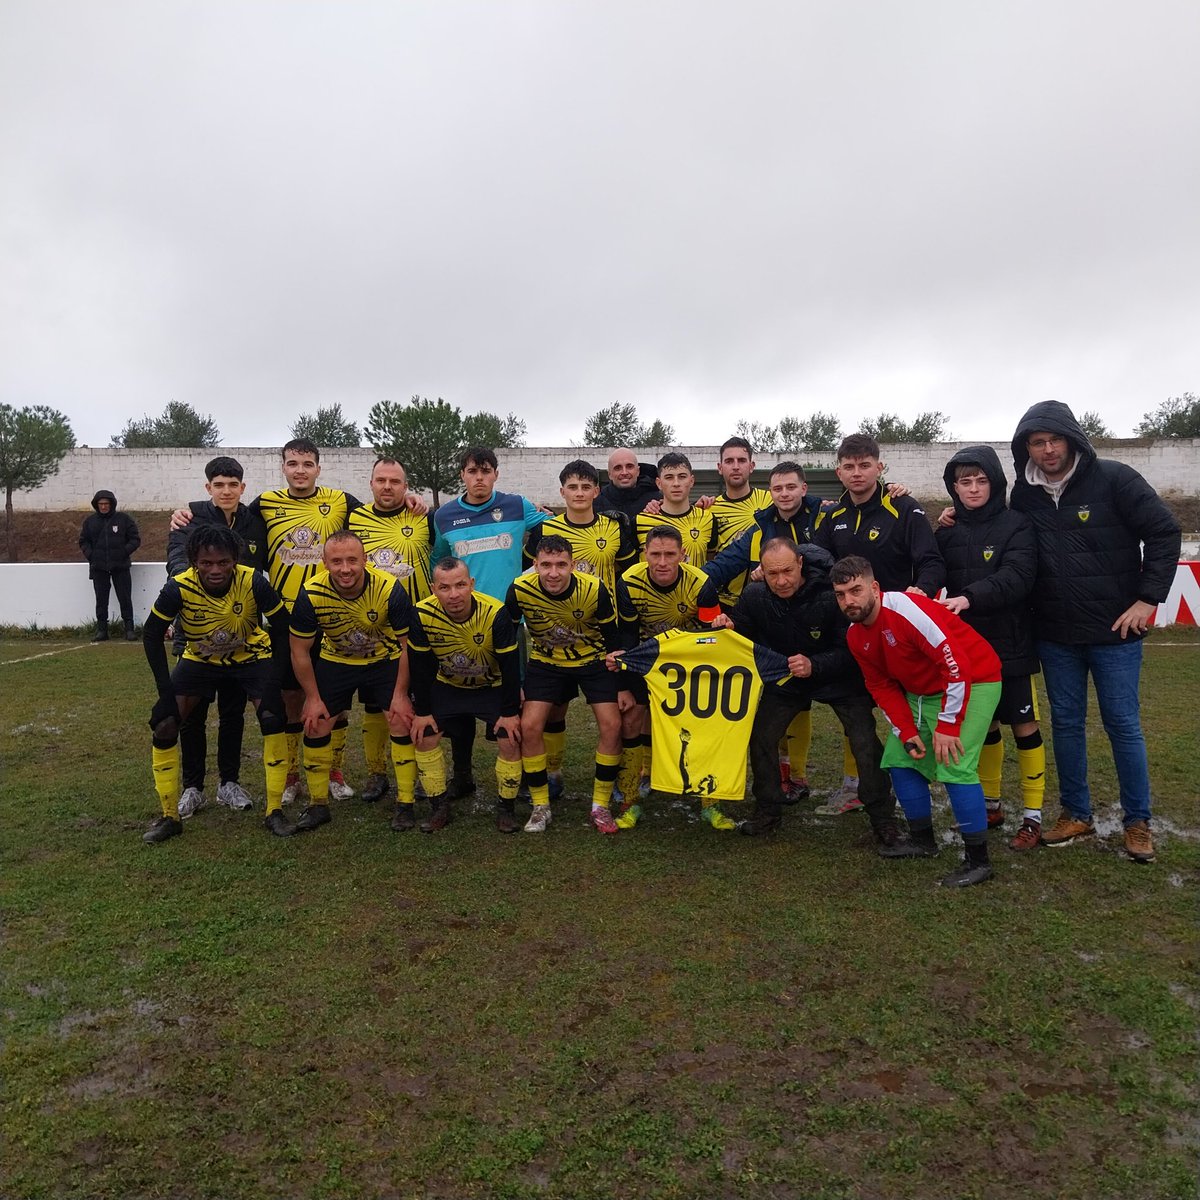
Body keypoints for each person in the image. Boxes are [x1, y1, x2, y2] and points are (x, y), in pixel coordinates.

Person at [1009, 401, 1181, 864]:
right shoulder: (1022, 495)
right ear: (1027, 447)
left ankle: (1138, 821)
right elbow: (1006, 539)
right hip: (1056, 633)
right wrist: (952, 519)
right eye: (1037, 442)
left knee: (1122, 726)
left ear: (1072, 439)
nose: (1047, 450)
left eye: (1055, 440)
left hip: (1115, 633)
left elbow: (1165, 532)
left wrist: (1148, 599)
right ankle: (1076, 813)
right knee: (1065, 724)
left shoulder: (1115, 478)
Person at [173, 439, 366, 805]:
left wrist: (413, 503)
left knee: (335, 699)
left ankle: (334, 773)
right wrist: (185, 516)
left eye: (307, 463)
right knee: (289, 697)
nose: (300, 470)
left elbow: (378, 512)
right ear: (283, 467)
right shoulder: (263, 506)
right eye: (292, 463)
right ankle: (291, 775)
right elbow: (224, 520)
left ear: (318, 468)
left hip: (331, 613)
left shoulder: (341, 502)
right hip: (284, 618)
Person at [717, 540, 904, 849]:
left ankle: (884, 819)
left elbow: (851, 648)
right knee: (762, 736)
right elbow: (743, 634)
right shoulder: (754, 595)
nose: (781, 581)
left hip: (839, 678)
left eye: (787, 571)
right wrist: (729, 626)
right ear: (761, 571)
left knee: (864, 740)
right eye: (773, 573)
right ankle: (768, 809)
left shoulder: (830, 595)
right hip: (788, 677)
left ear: (801, 563)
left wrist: (814, 664)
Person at [832, 555, 1002, 887]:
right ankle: (923, 841)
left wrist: (948, 726)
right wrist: (907, 731)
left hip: (974, 677)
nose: (849, 601)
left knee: (954, 762)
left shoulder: (906, 611)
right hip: (922, 690)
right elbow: (879, 685)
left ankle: (978, 860)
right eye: (840, 594)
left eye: (855, 590)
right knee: (900, 758)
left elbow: (955, 665)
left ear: (875, 588)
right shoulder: (855, 635)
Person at [813, 436, 945, 814]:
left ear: (879, 467)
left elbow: (931, 560)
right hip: (855, 633)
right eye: (849, 467)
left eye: (865, 465)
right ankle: (856, 784)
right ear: (838, 471)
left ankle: (921, 785)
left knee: (910, 710)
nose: (857, 473)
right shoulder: (832, 516)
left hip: (900, 631)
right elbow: (816, 560)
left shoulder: (903, 507)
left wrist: (918, 593)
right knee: (858, 710)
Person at [140, 524, 295, 844]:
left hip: (251, 657)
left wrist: (274, 684)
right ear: (194, 561)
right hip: (201, 660)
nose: (215, 570)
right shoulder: (178, 587)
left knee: (272, 717)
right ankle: (170, 815)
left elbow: (282, 628)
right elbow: (151, 634)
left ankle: (274, 810)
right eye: (206, 563)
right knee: (166, 723)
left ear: (235, 560)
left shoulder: (253, 580)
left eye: (223, 562)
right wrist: (165, 694)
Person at [702, 460, 836, 804]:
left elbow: (831, 557)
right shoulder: (760, 526)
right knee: (782, 697)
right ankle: (783, 775)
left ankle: (805, 775)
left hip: (819, 619)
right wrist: (695, 581)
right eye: (778, 488)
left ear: (804, 488)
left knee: (840, 704)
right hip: (772, 621)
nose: (785, 494)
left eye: (791, 487)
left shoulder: (824, 515)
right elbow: (727, 561)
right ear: (769, 492)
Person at [935, 446, 1045, 850]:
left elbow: (1018, 576)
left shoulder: (1017, 525)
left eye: (982, 480)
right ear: (954, 487)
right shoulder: (946, 530)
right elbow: (931, 569)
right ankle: (991, 802)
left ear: (995, 483)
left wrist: (968, 598)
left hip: (1011, 643)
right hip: (966, 651)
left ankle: (1033, 816)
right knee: (986, 727)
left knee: (1024, 726)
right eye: (965, 481)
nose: (974, 488)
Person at [432, 446, 549, 796]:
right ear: (462, 476)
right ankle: (463, 776)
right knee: (458, 697)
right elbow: (438, 560)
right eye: (472, 471)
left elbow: (559, 529)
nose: (479, 478)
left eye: (486, 471)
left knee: (517, 696)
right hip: (462, 624)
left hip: (508, 620)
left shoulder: (517, 506)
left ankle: (527, 773)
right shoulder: (444, 516)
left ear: (496, 474)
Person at [524, 458, 639, 799]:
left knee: (615, 708)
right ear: (562, 492)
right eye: (572, 487)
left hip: (603, 634)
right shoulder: (545, 529)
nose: (578, 492)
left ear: (596, 491)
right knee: (555, 707)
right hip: (556, 635)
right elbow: (529, 575)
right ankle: (554, 772)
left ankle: (618, 776)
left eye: (585, 486)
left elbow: (628, 575)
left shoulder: (615, 527)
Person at [288, 531, 416, 834]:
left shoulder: (389, 589)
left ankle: (406, 804)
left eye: (352, 560)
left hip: (383, 659)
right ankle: (319, 805)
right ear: (324, 563)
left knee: (399, 720)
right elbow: (299, 650)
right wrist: (312, 697)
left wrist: (400, 694)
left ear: (365, 561)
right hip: (337, 661)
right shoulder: (311, 593)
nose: (345, 569)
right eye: (336, 561)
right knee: (316, 722)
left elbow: (409, 646)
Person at [165, 455, 269, 818]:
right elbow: (177, 563)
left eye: (233, 484)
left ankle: (229, 782)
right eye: (218, 485)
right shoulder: (190, 519)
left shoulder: (256, 521)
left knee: (233, 712)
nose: (226, 490)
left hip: (242, 639)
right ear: (208, 488)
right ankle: (192, 788)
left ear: (243, 487)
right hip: (196, 638)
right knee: (190, 716)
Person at [505, 535, 631, 834]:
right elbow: (510, 642)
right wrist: (515, 685)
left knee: (612, 725)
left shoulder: (593, 588)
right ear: (534, 565)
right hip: (547, 663)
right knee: (531, 725)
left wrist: (623, 685)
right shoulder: (520, 589)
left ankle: (600, 805)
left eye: (561, 564)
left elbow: (614, 639)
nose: (553, 572)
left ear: (573, 565)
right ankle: (540, 806)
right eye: (545, 564)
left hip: (593, 661)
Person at [407, 558, 524, 832]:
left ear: (471, 584)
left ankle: (506, 809)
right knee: (424, 736)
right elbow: (420, 667)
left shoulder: (496, 613)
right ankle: (439, 808)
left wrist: (509, 713)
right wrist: (422, 712)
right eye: (445, 587)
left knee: (510, 739)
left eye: (460, 585)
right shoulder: (421, 613)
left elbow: (510, 667)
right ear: (433, 589)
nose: (454, 594)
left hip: (491, 686)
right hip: (449, 685)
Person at [348, 457, 437, 804]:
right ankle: (377, 773)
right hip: (373, 624)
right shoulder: (353, 518)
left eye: (395, 481)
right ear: (370, 484)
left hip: (416, 625)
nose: (387, 486)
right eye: (381, 480)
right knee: (374, 706)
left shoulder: (423, 517)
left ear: (406, 486)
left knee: (416, 701)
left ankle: (417, 770)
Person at [612, 525, 710, 828]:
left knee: (704, 722)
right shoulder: (629, 582)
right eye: (656, 554)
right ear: (645, 554)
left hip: (689, 662)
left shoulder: (702, 583)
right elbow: (627, 639)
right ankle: (630, 792)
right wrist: (625, 688)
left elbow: (711, 636)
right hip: (645, 659)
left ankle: (710, 798)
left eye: (670, 554)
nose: (663, 562)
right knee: (631, 718)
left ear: (684, 554)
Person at [79, 490, 140, 641]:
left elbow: (135, 539)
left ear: (112, 504)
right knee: (101, 600)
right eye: (101, 504)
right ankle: (102, 630)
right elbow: (83, 541)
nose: (104, 507)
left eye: (106, 504)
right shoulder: (90, 522)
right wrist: (91, 555)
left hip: (121, 566)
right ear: (96, 505)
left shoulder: (124, 519)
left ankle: (129, 629)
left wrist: (123, 552)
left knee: (125, 598)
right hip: (98, 567)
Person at [634, 453, 716, 567]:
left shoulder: (708, 519)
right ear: (659, 483)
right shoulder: (640, 521)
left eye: (682, 477)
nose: (676, 484)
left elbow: (711, 561)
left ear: (691, 481)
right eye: (669, 477)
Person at [597, 447, 662, 518]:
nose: (624, 472)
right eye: (618, 468)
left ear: (638, 471)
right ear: (609, 474)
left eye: (629, 466)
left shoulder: (657, 501)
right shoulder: (596, 504)